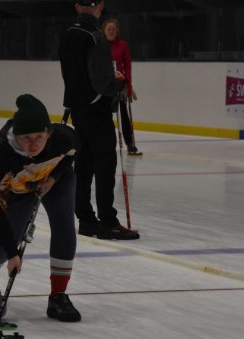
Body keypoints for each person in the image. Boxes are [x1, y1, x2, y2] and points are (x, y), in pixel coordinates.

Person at [0, 94, 81, 322]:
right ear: (16, 135)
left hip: (54, 181)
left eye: (39, 137)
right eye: (26, 138)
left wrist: (54, 177)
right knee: (9, 238)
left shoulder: (64, 137)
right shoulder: (3, 156)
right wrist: (13, 253)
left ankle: (58, 294)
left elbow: (71, 153)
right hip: (20, 188)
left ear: (49, 133)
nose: (33, 145)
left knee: (64, 226)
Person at [59, 0, 140, 240]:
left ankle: (85, 219)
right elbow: (102, 83)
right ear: (100, 6)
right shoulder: (95, 37)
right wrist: (120, 82)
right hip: (96, 110)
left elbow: (71, 74)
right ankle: (107, 221)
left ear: (76, 6)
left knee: (83, 164)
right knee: (105, 163)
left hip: (78, 109)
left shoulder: (68, 34)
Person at [102, 18, 141, 155]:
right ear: (104, 31)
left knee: (124, 114)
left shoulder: (123, 45)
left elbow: (127, 66)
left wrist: (129, 86)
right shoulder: (101, 45)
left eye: (114, 29)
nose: (111, 31)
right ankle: (105, 143)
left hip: (121, 84)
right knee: (105, 115)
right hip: (106, 85)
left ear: (117, 31)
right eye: (109, 29)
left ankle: (130, 144)